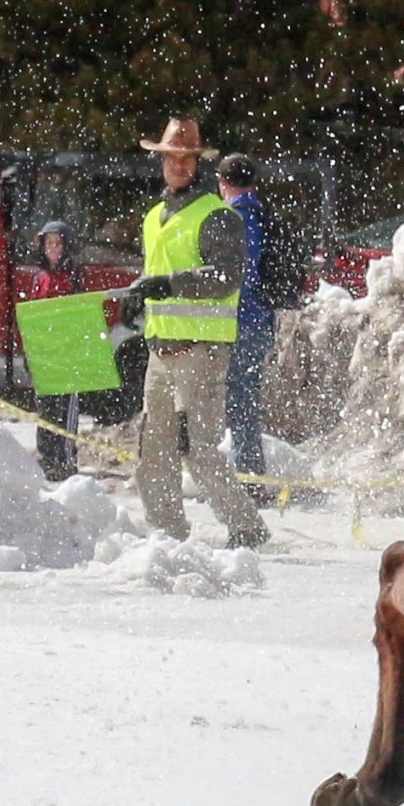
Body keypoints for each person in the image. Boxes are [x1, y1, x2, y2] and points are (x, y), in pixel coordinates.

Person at [127, 119, 268, 548]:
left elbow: (226, 277)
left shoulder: (217, 216)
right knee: (154, 452)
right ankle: (166, 535)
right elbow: (157, 276)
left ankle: (246, 528)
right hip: (161, 353)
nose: (177, 165)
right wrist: (143, 295)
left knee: (199, 450)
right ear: (162, 162)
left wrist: (170, 283)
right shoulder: (154, 217)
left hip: (201, 353)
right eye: (171, 157)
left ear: (198, 163)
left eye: (185, 158)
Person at [213, 153, 276, 493]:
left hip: (242, 322)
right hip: (260, 320)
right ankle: (250, 474)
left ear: (223, 183)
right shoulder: (261, 213)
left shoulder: (238, 218)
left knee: (239, 406)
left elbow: (242, 276)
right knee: (244, 404)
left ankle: (249, 480)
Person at [20, 221, 82, 481]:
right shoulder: (39, 278)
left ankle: (65, 459)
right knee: (45, 408)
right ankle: (46, 458)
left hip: (66, 353)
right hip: (44, 354)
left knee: (65, 408)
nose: (53, 249)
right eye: (49, 244)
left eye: (58, 244)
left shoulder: (75, 275)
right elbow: (32, 315)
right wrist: (30, 350)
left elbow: (79, 313)